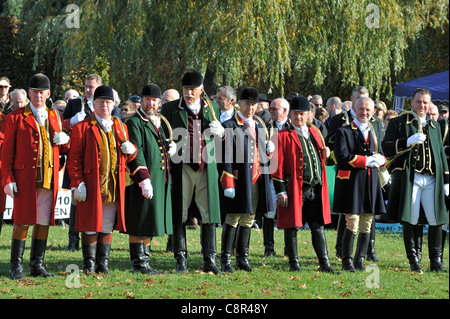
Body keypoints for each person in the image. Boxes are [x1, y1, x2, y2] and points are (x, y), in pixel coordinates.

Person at [2, 73, 70, 279]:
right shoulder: (15, 117)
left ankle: (37, 265)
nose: (38, 96)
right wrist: (8, 179)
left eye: (42, 93)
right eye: (34, 92)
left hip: (49, 177)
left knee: (42, 222)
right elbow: (6, 154)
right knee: (22, 221)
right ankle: (16, 267)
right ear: (29, 93)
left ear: (48, 94)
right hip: (24, 179)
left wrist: (65, 140)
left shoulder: (54, 116)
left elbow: (64, 148)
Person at [66, 85, 137, 275]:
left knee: (107, 223)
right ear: (93, 105)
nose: (105, 106)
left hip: (114, 185)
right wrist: (77, 182)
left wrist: (132, 151)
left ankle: (102, 264)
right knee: (90, 224)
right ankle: (89, 264)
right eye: (101, 103)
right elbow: (74, 159)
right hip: (91, 185)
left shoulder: (120, 126)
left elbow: (127, 156)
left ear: (113, 104)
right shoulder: (82, 127)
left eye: (108, 102)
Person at [160, 70, 223, 274]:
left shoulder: (212, 107)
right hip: (183, 165)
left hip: (206, 165)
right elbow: (162, 133)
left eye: (193, 90)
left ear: (201, 90)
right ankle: (181, 259)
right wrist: (168, 148)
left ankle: (210, 260)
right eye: (186, 89)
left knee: (209, 213)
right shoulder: (171, 108)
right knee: (180, 211)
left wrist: (220, 133)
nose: (189, 93)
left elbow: (218, 136)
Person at [382, 88, 449, 272]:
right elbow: (386, 147)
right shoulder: (398, 122)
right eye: (419, 101)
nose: (422, 105)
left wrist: (446, 181)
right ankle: (414, 260)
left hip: (432, 180)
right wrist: (407, 141)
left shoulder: (435, 127)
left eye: (425, 102)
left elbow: (441, 156)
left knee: (436, 218)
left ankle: (436, 261)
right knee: (410, 217)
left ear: (429, 104)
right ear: (411, 102)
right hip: (410, 178)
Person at [272, 95, 336, 273]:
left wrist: (326, 153)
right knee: (292, 226)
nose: (298, 118)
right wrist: (281, 191)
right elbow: (276, 166)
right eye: (295, 114)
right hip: (295, 188)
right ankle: (294, 264)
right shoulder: (282, 136)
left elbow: (322, 156)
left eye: (302, 114)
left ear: (309, 115)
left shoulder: (315, 131)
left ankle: (324, 264)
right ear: (290, 115)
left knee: (318, 226)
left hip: (315, 187)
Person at [219, 87, 275, 272]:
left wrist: (268, 149)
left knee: (248, 219)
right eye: (247, 104)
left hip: (256, 179)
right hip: (238, 179)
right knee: (233, 218)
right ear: (239, 104)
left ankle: (242, 258)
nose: (250, 108)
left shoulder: (259, 125)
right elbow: (225, 157)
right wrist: (228, 183)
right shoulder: (229, 125)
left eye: (253, 105)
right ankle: (226, 259)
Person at [326, 86, 382, 262]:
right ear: (354, 110)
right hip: (352, 182)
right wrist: (365, 161)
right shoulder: (344, 130)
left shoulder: (374, 130)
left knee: (367, 223)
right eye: (361, 109)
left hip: (370, 182)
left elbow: (381, 152)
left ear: (373, 111)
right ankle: (347, 259)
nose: (364, 112)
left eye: (367, 109)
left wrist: (382, 160)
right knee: (352, 222)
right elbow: (342, 156)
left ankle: (360, 259)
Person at [124, 83, 175, 274]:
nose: (150, 103)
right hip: (142, 179)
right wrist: (143, 179)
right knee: (140, 221)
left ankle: (145, 260)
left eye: (154, 100)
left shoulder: (157, 121)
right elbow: (137, 152)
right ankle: (139, 263)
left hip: (158, 178)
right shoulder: (135, 122)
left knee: (148, 221)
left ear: (159, 102)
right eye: (147, 100)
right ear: (141, 102)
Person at [262, 97, 291, 257]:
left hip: (288, 175)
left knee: (288, 213)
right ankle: (269, 248)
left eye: (275, 109)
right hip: (270, 175)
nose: (271, 111)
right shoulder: (265, 128)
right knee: (269, 212)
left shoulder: (293, 128)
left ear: (285, 111)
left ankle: (289, 248)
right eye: (270, 108)